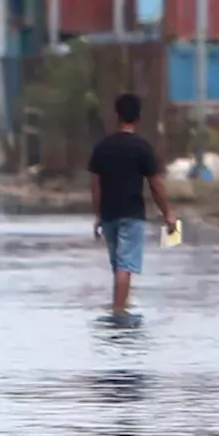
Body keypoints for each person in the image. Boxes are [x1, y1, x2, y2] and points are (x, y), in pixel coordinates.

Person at [87, 93, 176, 320]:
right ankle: (119, 314)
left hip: (109, 215)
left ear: (117, 116)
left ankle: (120, 306)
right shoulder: (142, 148)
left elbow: (95, 186)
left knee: (118, 265)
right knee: (125, 265)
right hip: (133, 215)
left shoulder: (102, 148)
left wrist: (97, 215)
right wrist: (168, 215)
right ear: (137, 118)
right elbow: (155, 185)